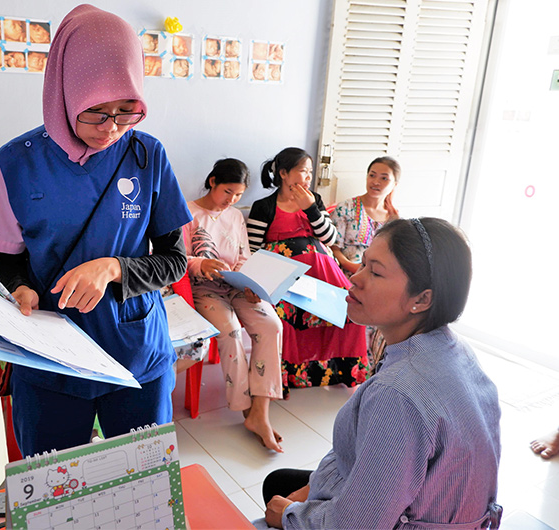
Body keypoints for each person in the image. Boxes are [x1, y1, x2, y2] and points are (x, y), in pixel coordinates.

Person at [0, 4, 192, 456]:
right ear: (65, 92)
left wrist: (113, 268)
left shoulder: (147, 155)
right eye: (96, 111)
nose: (112, 128)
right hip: (51, 358)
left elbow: (174, 261)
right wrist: (19, 288)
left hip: (134, 352)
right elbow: (10, 257)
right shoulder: (16, 163)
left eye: (126, 110)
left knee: (143, 480)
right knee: (53, 486)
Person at [261, 218, 502, 529]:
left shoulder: (397, 393)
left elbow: (359, 525)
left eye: (375, 272)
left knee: (275, 501)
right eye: (362, 264)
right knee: (280, 483)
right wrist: (311, 490)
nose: (355, 278)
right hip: (440, 508)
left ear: (421, 299)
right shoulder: (452, 349)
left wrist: (290, 517)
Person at [247, 148, 367, 397]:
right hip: (284, 276)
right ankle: (284, 378)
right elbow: (252, 250)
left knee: (350, 309)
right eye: (303, 171)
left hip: (324, 271)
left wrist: (311, 209)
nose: (308, 178)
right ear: (283, 173)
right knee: (285, 317)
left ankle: (341, 372)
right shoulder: (264, 207)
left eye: (311, 172)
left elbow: (332, 239)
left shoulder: (315, 200)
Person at [184, 159, 284, 452]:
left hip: (237, 286)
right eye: (228, 192)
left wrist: (250, 282)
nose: (233, 200)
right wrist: (201, 263)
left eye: (239, 195)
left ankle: (260, 413)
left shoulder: (235, 217)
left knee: (271, 325)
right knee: (230, 331)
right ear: (212, 181)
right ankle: (244, 408)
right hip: (205, 290)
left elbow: (243, 256)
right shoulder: (186, 213)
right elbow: (177, 259)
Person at [330, 156, 400, 277]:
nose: (376, 182)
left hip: (377, 278)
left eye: (384, 178)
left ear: (394, 184)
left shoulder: (394, 219)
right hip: (344, 274)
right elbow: (333, 248)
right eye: (372, 175)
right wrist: (353, 267)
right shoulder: (346, 208)